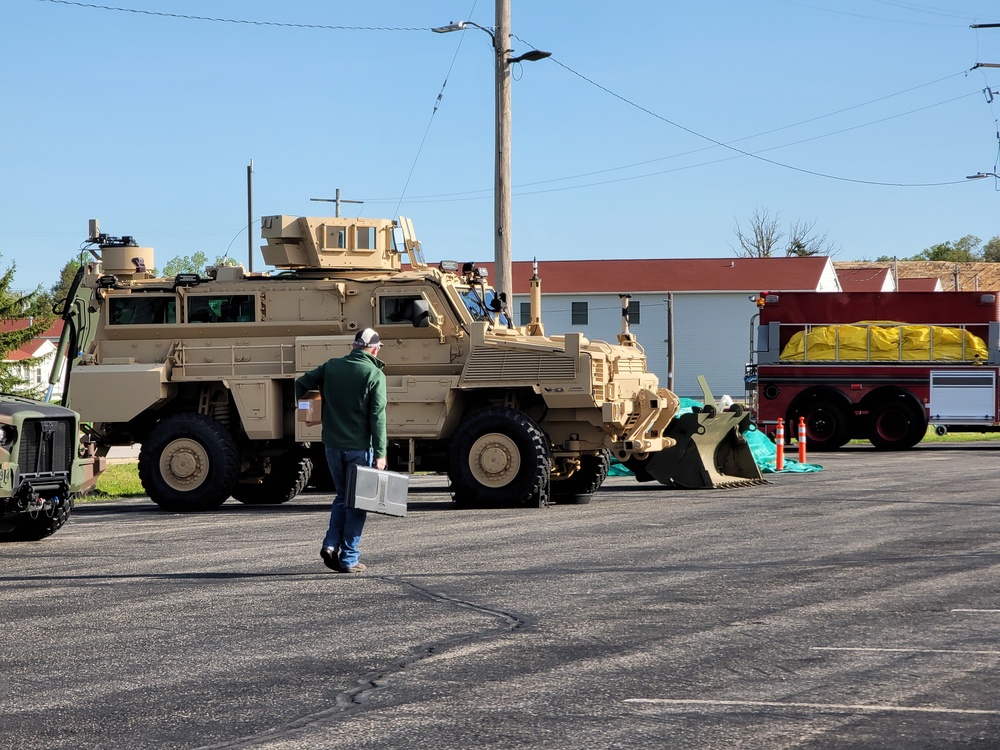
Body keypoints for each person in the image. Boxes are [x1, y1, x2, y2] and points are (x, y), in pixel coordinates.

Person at [295, 328, 387, 574]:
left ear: (354, 346)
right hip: (359, 450)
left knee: (341, 497)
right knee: (358, 504)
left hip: (332, 447)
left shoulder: (332, 366)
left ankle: (330, 544)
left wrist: (310, 412)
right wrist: (381, 453)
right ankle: (348, 558)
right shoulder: (374, 374)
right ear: (375, 349)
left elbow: (301, 383)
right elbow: (377, 417)